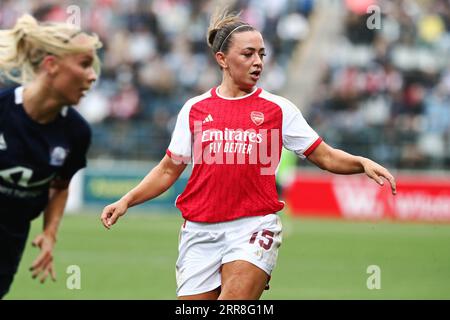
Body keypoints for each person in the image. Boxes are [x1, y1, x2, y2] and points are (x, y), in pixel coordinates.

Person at [101, 8, 396, 300]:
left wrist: (360, 162)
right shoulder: (195, 109)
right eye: (248, 54)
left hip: (253, 226)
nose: (257, 62)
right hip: (198, 231)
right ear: (222, 59)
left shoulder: (278, 109)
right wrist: (127, 200)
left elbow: (326, 157)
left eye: (262, 54)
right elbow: (168, 170)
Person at [0, 14, 102, 298]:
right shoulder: (3, 108)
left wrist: (50, 233)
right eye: (84, 65)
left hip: (9, 241)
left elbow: (59, 186)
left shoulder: (77, 133)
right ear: (51, 65)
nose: (92, 75)